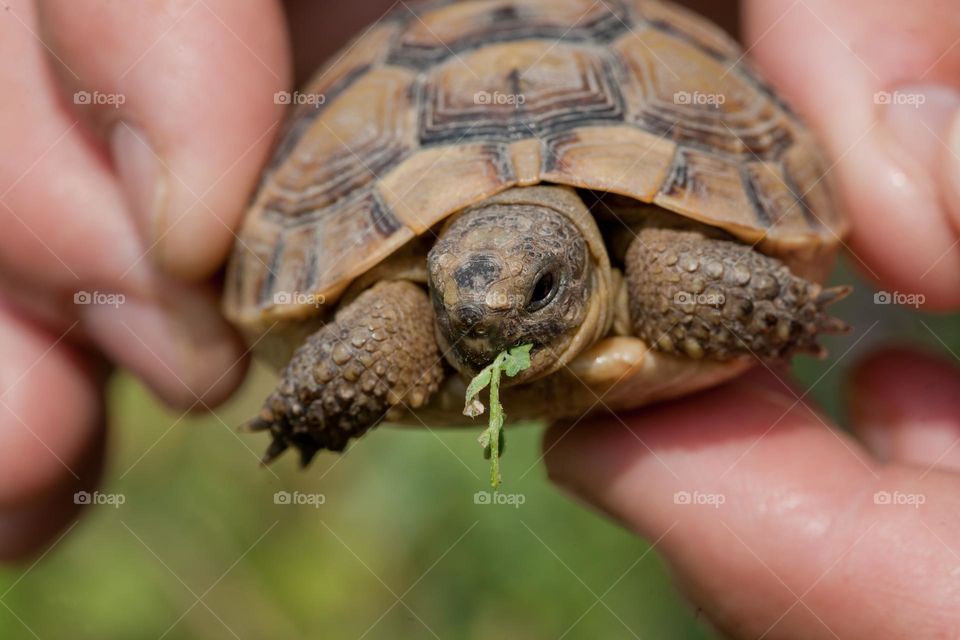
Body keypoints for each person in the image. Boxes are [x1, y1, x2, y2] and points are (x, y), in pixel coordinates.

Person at [0, 0, 957, 636]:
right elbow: (393, 319)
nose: (487, 323)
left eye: (536, 298)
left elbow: (712, 270)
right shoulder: (409, 309)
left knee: (676, 275)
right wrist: (320, 398)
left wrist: (771, 308)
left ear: (583, 262)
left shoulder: (651, 259)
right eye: (457, 295)